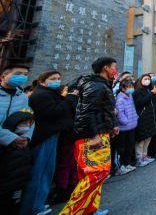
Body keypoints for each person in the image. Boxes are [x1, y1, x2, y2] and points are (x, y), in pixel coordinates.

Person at [60, 57, 118, 215]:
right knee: (96, 173)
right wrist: (93, 135)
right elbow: (87, 112)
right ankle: (70, 212)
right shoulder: (95, 85)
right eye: (114, 67)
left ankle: (90, 209)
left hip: (100, 132)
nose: (115, 70)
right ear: (106, 68)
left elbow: (102, 111)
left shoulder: (102, 84)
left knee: (97, 175)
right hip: (91, 136)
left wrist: (111, 126)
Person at [21, 71, 72, 215]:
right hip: (44, 136)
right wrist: (66, 99)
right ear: (42, 81)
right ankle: (33, 207)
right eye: (53, 79)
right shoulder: (41, 95)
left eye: (58, 78)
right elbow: (55, 112)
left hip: (52, 135)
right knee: (40, 172)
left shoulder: (49, 94)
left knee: (46, 171)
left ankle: (38, 204)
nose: (57, 81)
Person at [0, 111, 34, 214]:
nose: (27, 126)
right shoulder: (8, 149)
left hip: (19, 184)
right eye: (24, 124)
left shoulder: (25, 145)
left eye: (29, 124)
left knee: (14, 206)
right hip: (6, 185)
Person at [53, 82, 79, 204]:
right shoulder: (70, 101)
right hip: (69, 135)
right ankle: (66, 190)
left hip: (68, 135)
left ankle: (66, 190)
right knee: (68, 164)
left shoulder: (65, 100)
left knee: (69, 164)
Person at [132, 74, 156, 167]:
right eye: (145, 79)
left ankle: (144, 155)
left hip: (150, 118)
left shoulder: (149, 90)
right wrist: (151, 94)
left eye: (149, 79)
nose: (147, 80)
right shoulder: (137, 92)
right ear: (141, 80)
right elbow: (140, 102)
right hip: (142, 118)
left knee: (148, 137)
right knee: (141, 139)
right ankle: (139, 158)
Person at [114, 78, 138, 176]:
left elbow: (133, 109)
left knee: (130, 146)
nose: (131, 89)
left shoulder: (130, 96)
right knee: (122, 148)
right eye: (128, 87)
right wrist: (126, 122)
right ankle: (121, 166)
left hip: (132, 126)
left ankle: (127, 163)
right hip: (124, 128)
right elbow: (120, 114)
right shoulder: (120, 99)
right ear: (123, 88)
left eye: (132, 87)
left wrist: (136, 117)